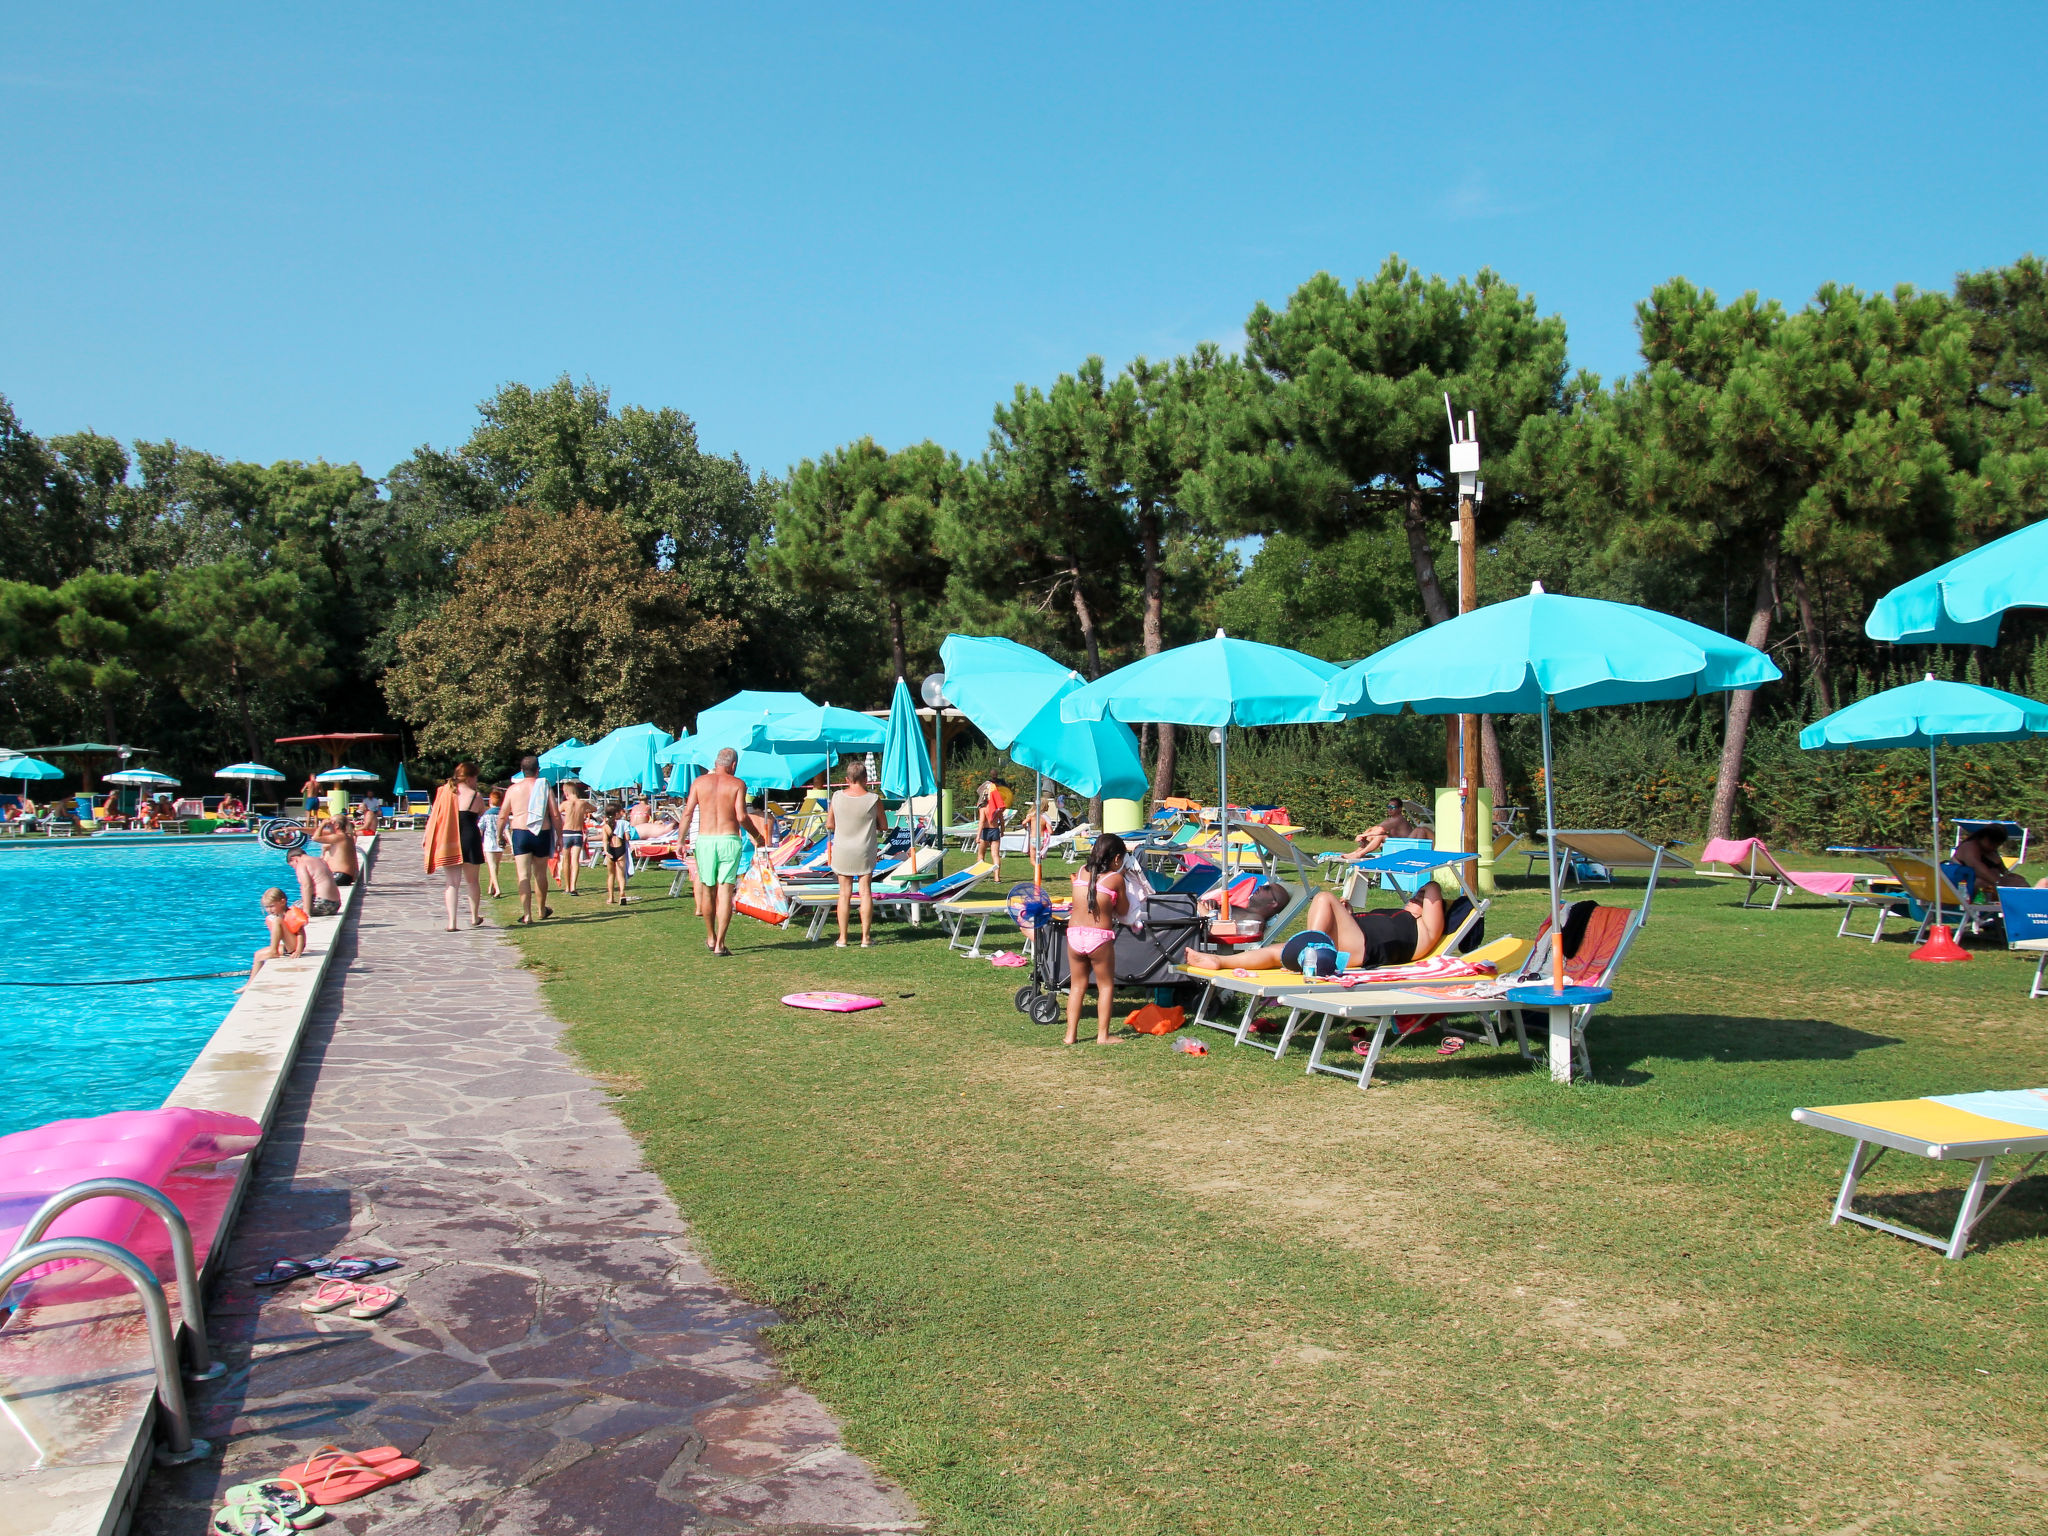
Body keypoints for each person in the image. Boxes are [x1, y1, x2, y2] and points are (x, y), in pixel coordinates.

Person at [1182, 882, 1447, 975]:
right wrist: (1349, 915)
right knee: (1278, 951)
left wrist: (1425, 897)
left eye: (1421, 896)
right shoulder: (1399, 914)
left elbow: (1435, 885)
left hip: (1365, 950)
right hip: (1351, 943)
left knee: (1324, 898)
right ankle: (1218, 960)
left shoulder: (1424, 929)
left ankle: (1312, 951)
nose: (1417, 895)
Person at [682, 746, 767, 955]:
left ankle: (710, 937)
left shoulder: (699, 782)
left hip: (705, 840)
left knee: (708, 889)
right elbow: (741, 816)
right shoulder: (737, 784)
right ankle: (720, 943)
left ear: (716, 762)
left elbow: (687, 813)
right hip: (729, 840)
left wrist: (679, 840)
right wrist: (757, 836)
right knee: (725, 890)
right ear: (734, 765)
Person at [1065, 832, 1129, 1046]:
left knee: (1077, 986)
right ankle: (1102, 1035)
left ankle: (1070, 1035)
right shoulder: (1116, 878)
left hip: (1074, 935)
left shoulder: (1082, 871)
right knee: (1105, 986)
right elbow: (1123, 910)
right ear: (1117, 859)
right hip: (1098, 937)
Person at [827, 759, 888, 948]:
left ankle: (843, 938)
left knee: (844, 894)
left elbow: (830, 824)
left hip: (843, 849)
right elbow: (884, 826)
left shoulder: (837, 796)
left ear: (847, 779)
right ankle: (865, 938)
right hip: (864, 848)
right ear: (866, 778)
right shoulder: (873, 799)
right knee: (865, 892)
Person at [423, 762, 487, 930]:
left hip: (449, 839)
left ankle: (452, 922)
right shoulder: (476, 796)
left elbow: (434, 816)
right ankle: (474, 917)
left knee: (451, 883)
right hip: (470, 839)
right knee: (472, 881)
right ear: (470, 777)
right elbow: (481, 813)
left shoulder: (444, 792)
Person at [500, 754, 562, 925]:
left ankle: (527, 914)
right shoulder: (544, 787)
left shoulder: (513, 789)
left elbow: (502, 815)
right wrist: (560, 836)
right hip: (541, 832)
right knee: (540, 873)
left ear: (521, 771)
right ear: (538, 770)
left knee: (523, 875)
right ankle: (541, 909)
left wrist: (499, 834)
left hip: (520, 832)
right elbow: (555, 814)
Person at [1944, 824, 2030, 899]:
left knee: (2020, 882)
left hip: (1991, 884)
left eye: (1997, 844)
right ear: (1984, 837)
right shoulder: (1970, 846)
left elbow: (2004, 871)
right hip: (1968, 886)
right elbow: (1977, 868)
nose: (1994, 846)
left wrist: (2013, 879)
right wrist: (1999, 883)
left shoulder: (1991, 851)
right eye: (1992, 843)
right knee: (1982, 884)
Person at [251, 886, 309, 979]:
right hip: (287, 948)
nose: (269, 910)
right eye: (267, 907)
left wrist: (299, 950)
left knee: (277, 920)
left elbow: (301, 934)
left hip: (294, 946)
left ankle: (273, 951)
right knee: (258, 955)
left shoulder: (290, 914)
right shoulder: (278, 916)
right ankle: (249, 983)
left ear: (282, 902)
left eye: (272, 906)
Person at [286, 845, 343, 917]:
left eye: (293, 866)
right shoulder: (321, 860)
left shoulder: (302, 864)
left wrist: (306, 911)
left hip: (322, 904)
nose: (295, 868)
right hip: (336, 905)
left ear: (294, 859)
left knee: (290, 910)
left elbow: (307, 886)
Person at [559, 780, 593, 896]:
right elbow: (594, 809)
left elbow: (555, 813)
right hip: (578, 833)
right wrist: (584, 811)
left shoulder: (565, 804)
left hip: (566, 833)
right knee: (575, 861)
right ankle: (573, 887)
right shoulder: (582, 803)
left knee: (566, 861)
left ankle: (567, 887)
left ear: (567, 791)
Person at [314, 816, 360, 885]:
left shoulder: (339, 837)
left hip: (340, 876)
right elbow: (314, 832)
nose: (328, 825)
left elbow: (315, 838)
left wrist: (322, 824)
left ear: (337, 825)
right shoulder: (347, 836)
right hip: (346, 876)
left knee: (314, 881)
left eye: (330, 823)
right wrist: (297, 828)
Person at [977, 777, 1010, 875]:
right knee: (995, 855)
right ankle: (997, 877)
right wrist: (1002, 831)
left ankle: (979, 874)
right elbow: (1002, 821)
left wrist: (978, 836)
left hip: (986, 831)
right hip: (995, 830)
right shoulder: (997, 809)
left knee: (981, 854)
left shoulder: (983, 808)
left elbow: (982, 822)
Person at [479, 786, 507, 899]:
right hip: (499, 842)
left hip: (489, 842)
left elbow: (480, 828)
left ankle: (497, 888)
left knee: (492, 866)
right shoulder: (502, 814)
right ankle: (491, 887)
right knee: (496, 866)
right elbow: (506, 828)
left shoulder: (486, 814)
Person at [603, 801, 634, 905]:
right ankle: (622, 893)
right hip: (620, 849)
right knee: (620, 875)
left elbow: (605, 840)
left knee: (611, 875)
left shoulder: (606, 826)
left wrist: (606, 852)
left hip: (610, 850)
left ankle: (611, 897)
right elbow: (627, 838)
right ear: (616, 813)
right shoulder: (624, 823)